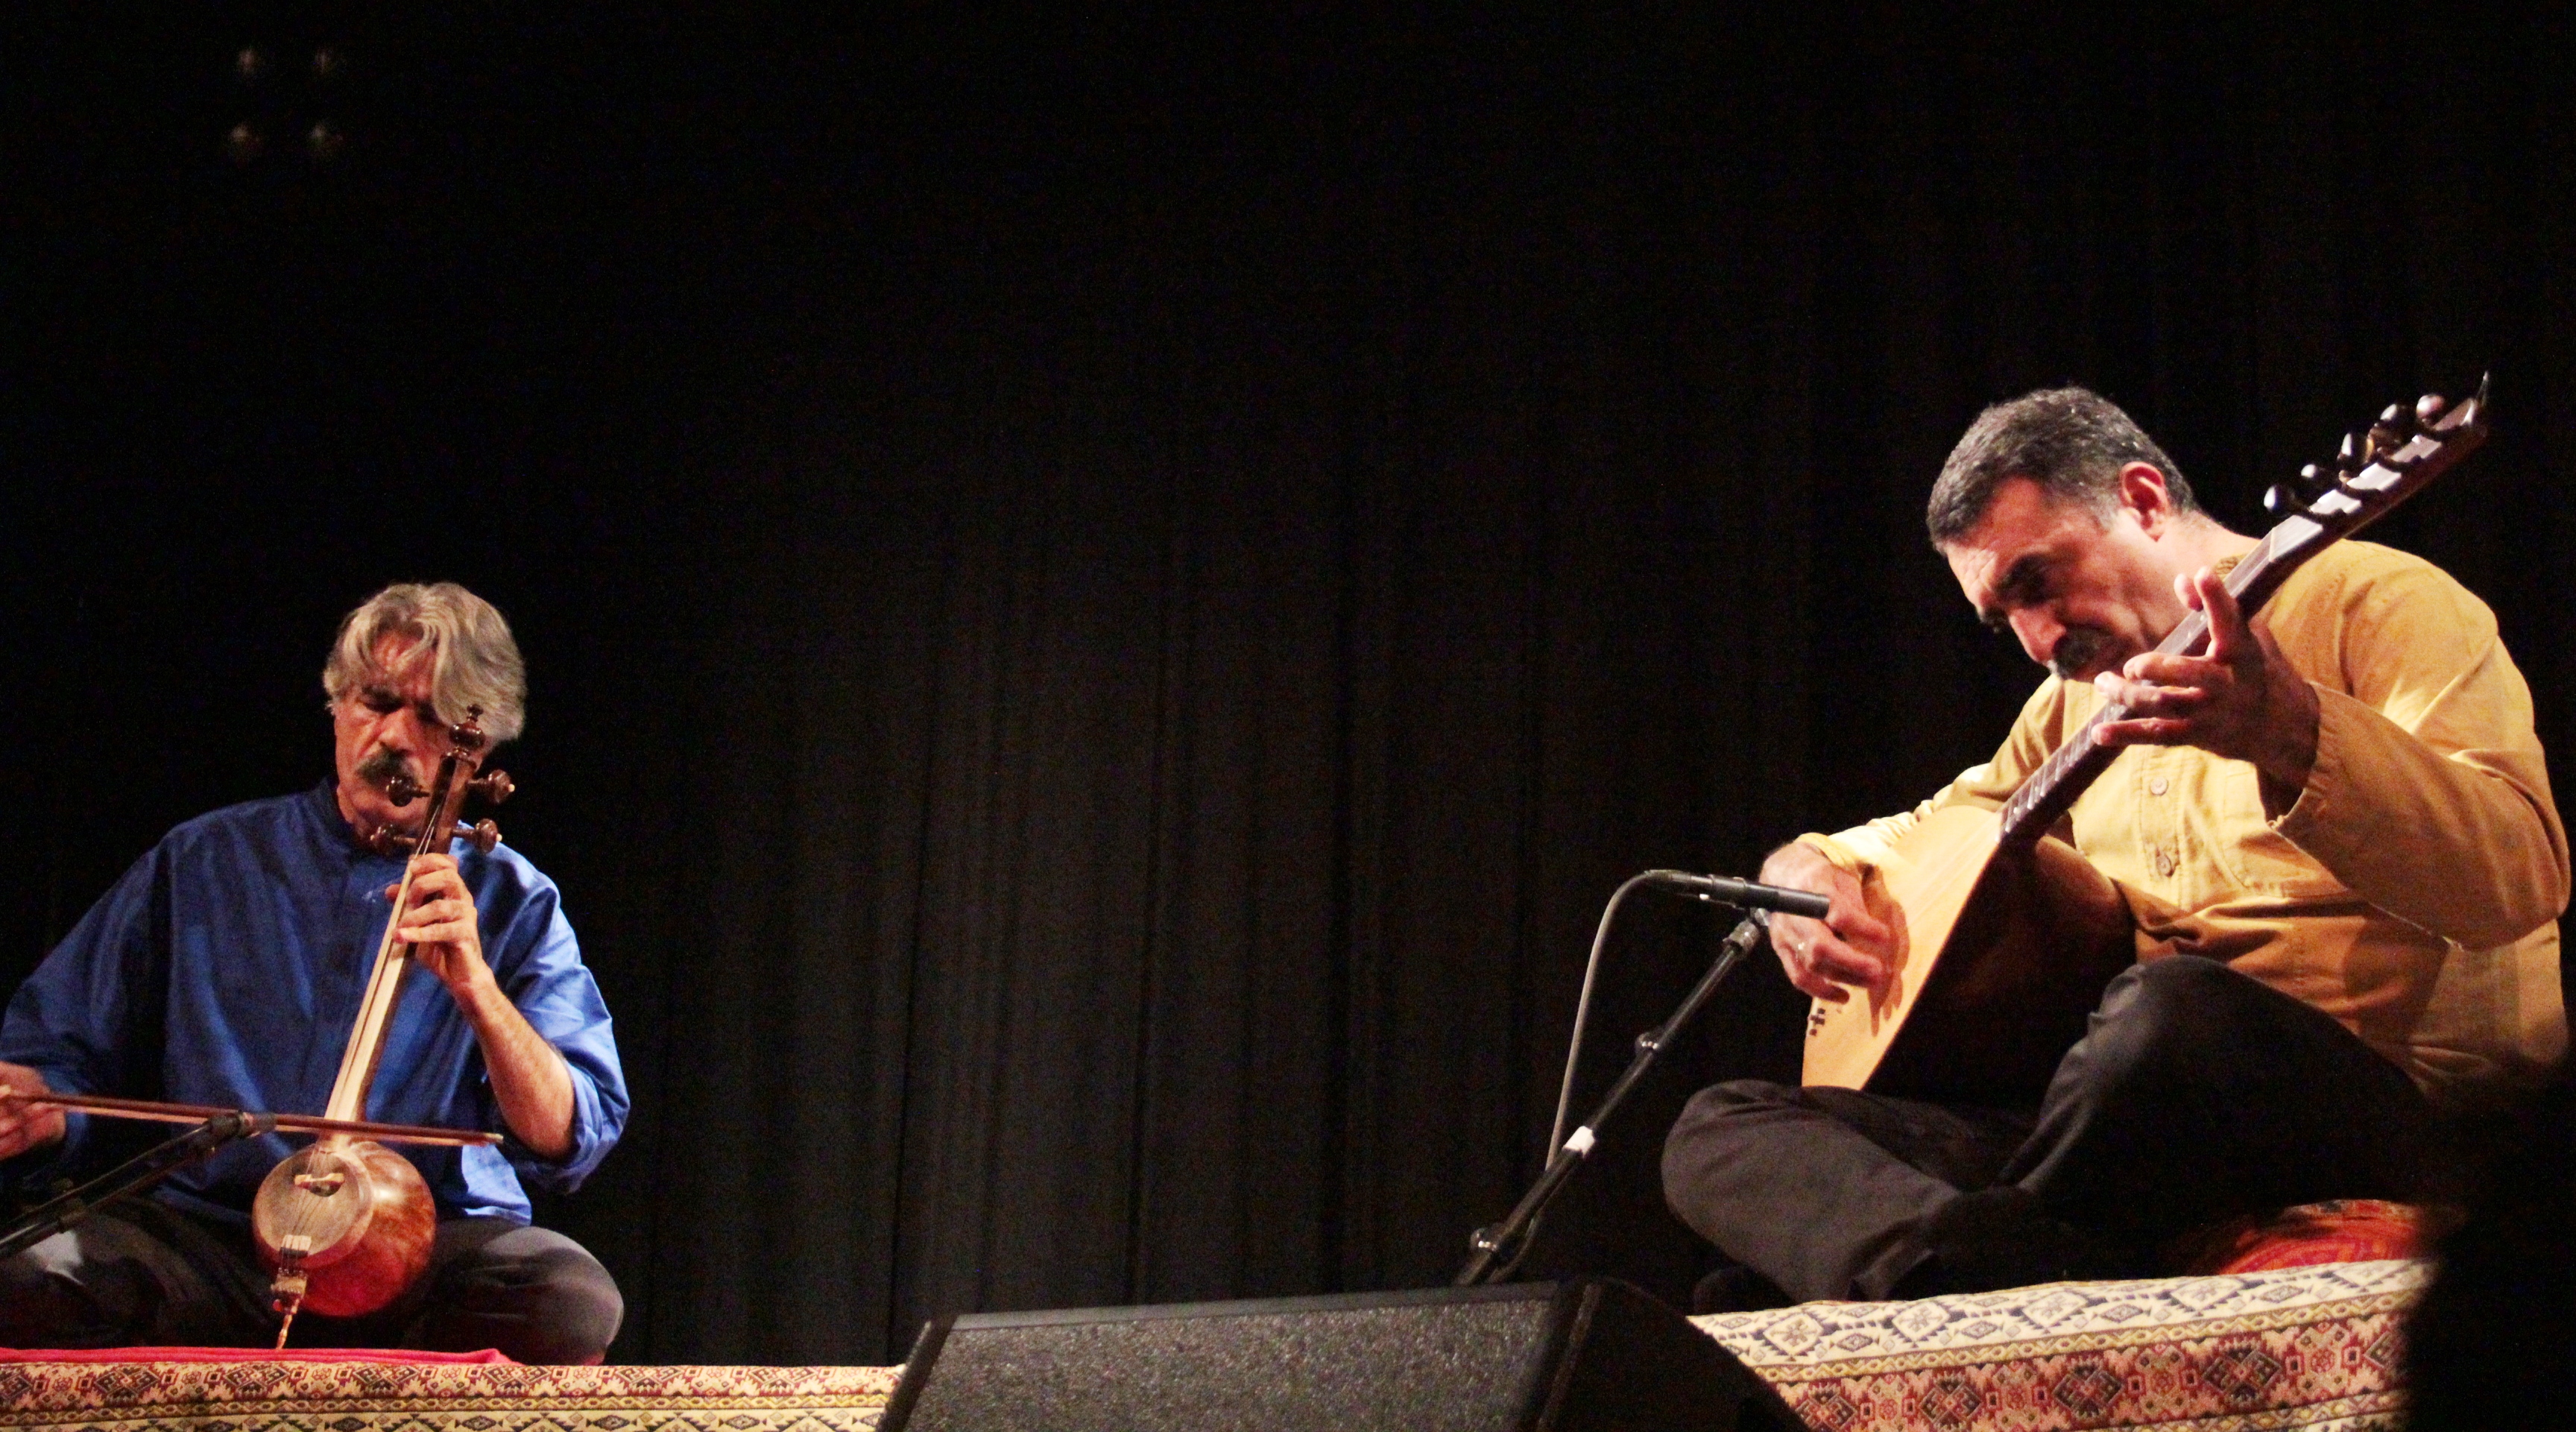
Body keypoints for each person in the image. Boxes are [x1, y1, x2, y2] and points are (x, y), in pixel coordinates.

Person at [1663, 387, 2567, 1307]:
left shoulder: (2375, 600)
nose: (2036, 641)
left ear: (2140, 498)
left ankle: (1954, 1267)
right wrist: (1806, 873)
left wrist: (2290, 732)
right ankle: (1981, 1265)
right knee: (1719, 1128)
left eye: (2037, 583)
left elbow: (2519, 880)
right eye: (2002, 616)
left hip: (2382, 1103)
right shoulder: (2076, 703)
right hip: (2134, 1117)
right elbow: (1936, 824)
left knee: (2166, 1014)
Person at [0, 582, 629, 1362]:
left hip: (422, 1249)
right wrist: (39, 1108)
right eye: (376, 700)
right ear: (337, 705)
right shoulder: (202, 861)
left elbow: (571, 1131)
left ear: (479, 751)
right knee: (31, 1274)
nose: (393, 734)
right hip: (218, 1241)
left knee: (565, 1299)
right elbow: (57, 1053)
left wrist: (478, 990)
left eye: (431, 717)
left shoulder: (512, 902)